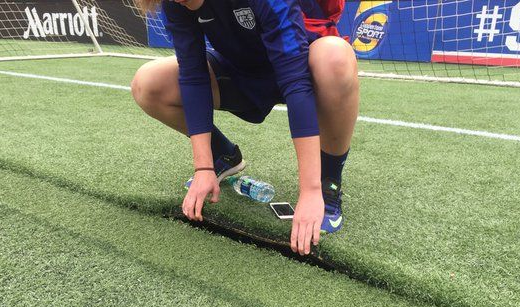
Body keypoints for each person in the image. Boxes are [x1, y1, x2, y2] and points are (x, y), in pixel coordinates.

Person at [131, 0, 359, 256]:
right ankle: (223, 158)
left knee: (335, 58)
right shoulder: (174, 4)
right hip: (241, 72)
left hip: (300, 62)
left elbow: (296, 81)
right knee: (148, 83)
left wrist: (310, 191)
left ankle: (328, 182)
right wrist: (203, 166)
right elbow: (193, 75)